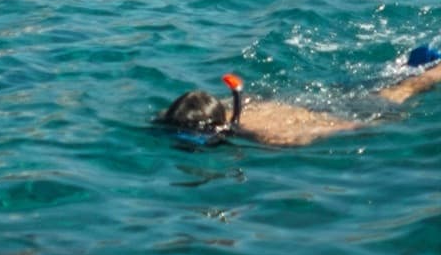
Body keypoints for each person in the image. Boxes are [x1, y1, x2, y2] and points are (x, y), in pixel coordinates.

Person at [158, 44, 441, 148]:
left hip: (341, 110)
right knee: (391, 82)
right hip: (315, 99)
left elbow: (339, 128)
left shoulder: (270, 136)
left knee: (403, 90)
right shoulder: (222, 106)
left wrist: (378, 126)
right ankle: (419, 65)